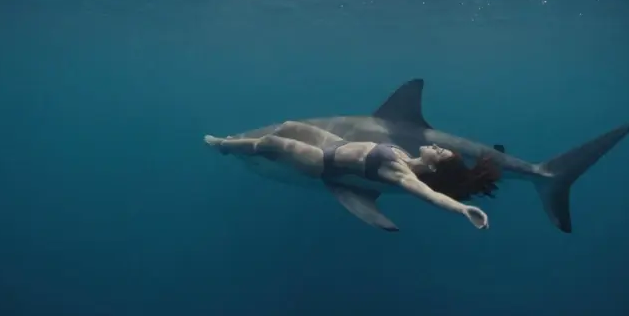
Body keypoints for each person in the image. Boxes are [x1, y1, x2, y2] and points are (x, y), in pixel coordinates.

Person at [204, 120, 490, 229]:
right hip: (334, 144)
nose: (437, 147)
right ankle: (231, 144)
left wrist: (463, 209)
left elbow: (432, 196)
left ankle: (224, 145)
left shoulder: (403, 174)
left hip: (326, 163)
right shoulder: (404, 153)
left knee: (273, 144)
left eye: (439, 152)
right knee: (288, 127)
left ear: (433, 168)